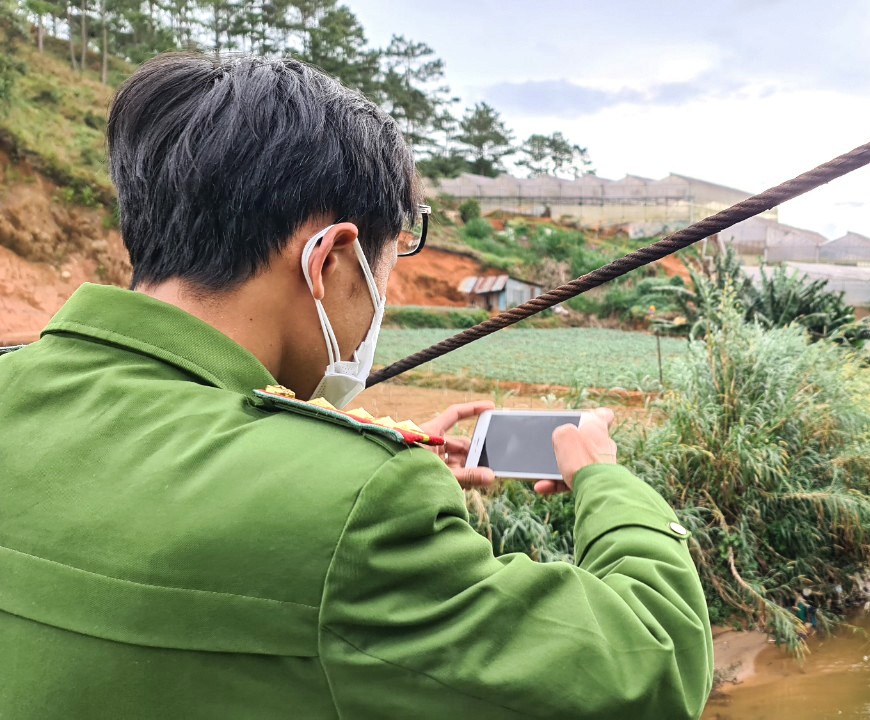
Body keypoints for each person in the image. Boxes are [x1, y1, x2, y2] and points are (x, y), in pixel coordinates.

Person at [0, 54, 712, 718]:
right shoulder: (365, 507)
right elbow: (651, 664)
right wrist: (607, 484)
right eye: (384, 272)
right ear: (332, 260)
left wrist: (354, 453)